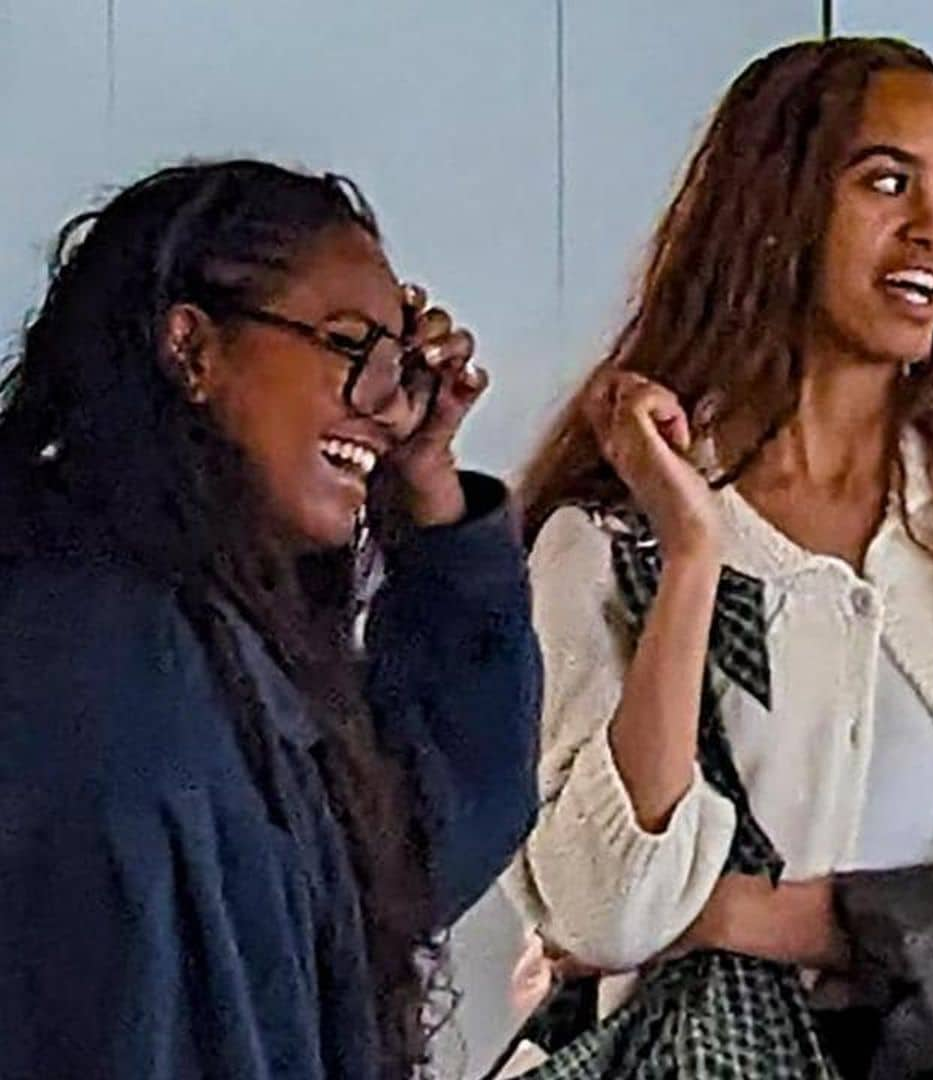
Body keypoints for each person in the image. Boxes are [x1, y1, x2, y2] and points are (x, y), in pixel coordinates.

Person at [503, 36, 933, 1076]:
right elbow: (606, 911)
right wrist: (690, 555)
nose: (930, 230)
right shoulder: (607, 535)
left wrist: (744, 917)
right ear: (776, 208)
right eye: (886, 181)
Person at [0, 160, 541, 1079]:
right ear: (192, 348)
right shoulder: (88, 651)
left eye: (398, 364)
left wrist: (434, 501)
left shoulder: (224, 643)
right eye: (347, 345)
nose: (385, 403)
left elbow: (414, 850)